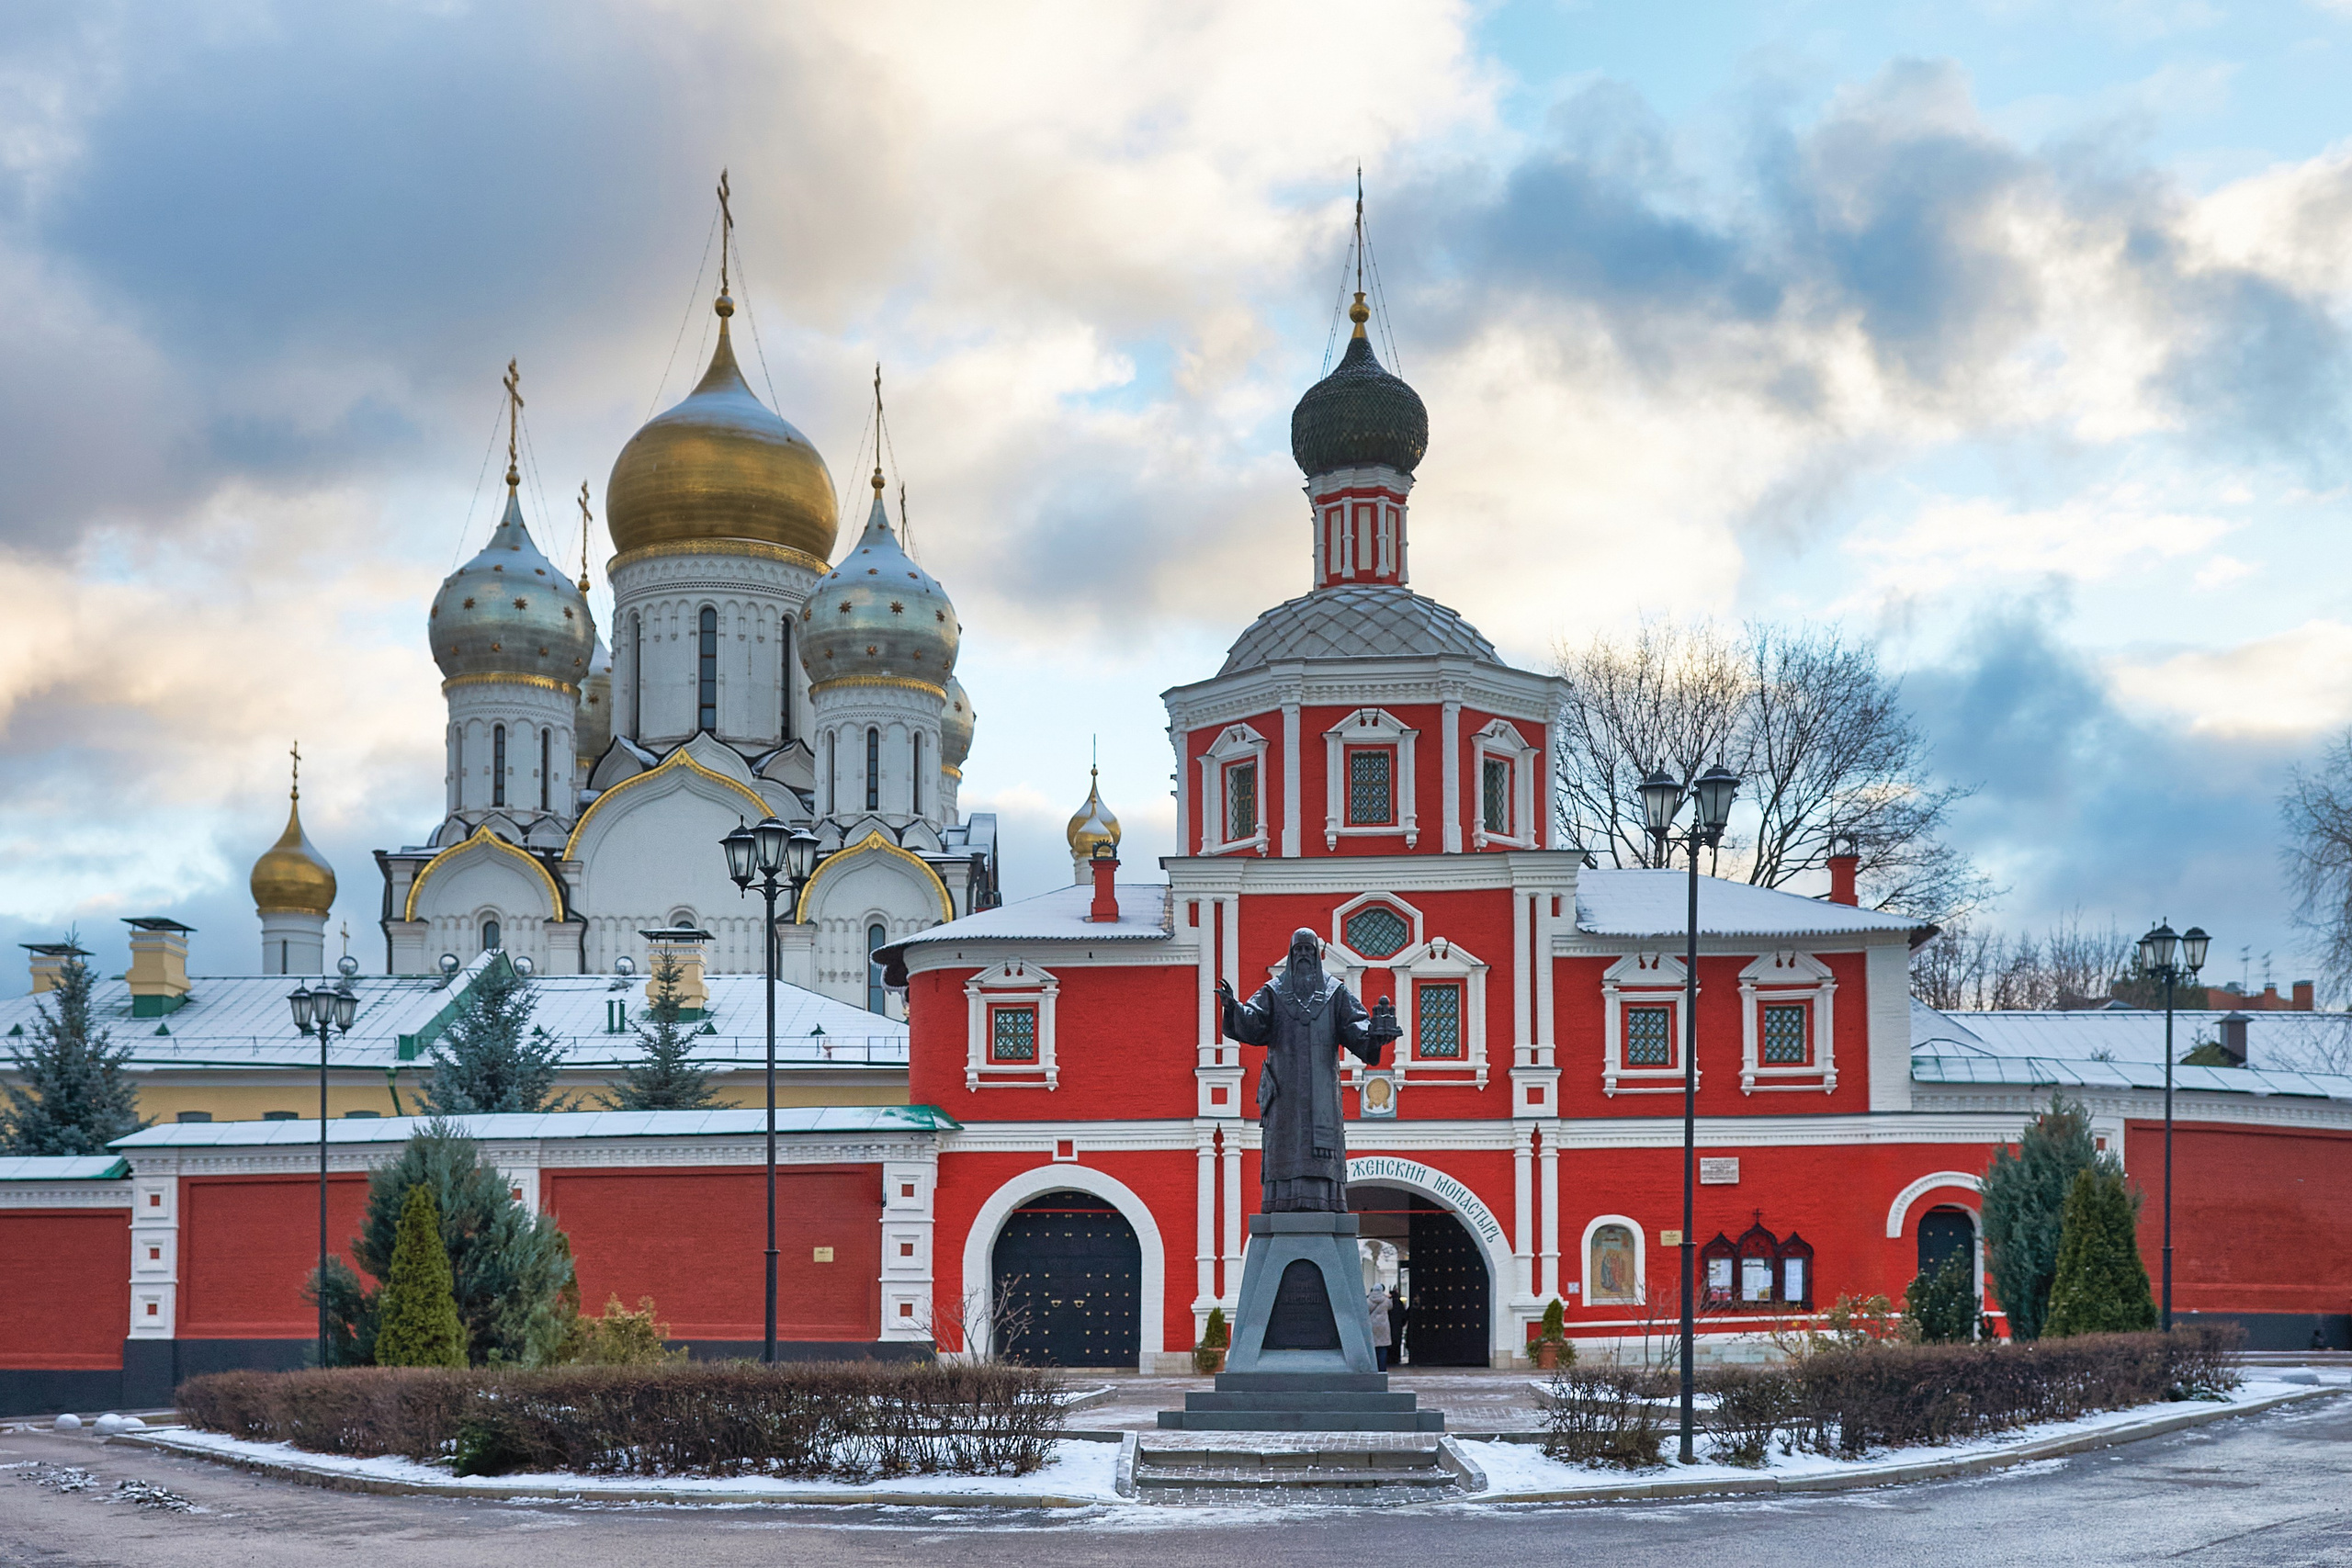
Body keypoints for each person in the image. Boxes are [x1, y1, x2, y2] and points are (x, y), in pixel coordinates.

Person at [1367, 1280, 1393, 1371]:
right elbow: (1390, 1307)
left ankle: (1374, 1368)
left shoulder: (1368, 1300)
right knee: (1382, 1349)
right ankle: (1382, 1369)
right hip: (1383, 1327)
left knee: (1372, 1349)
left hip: (1371, 1327)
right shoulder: (1386, 1300)